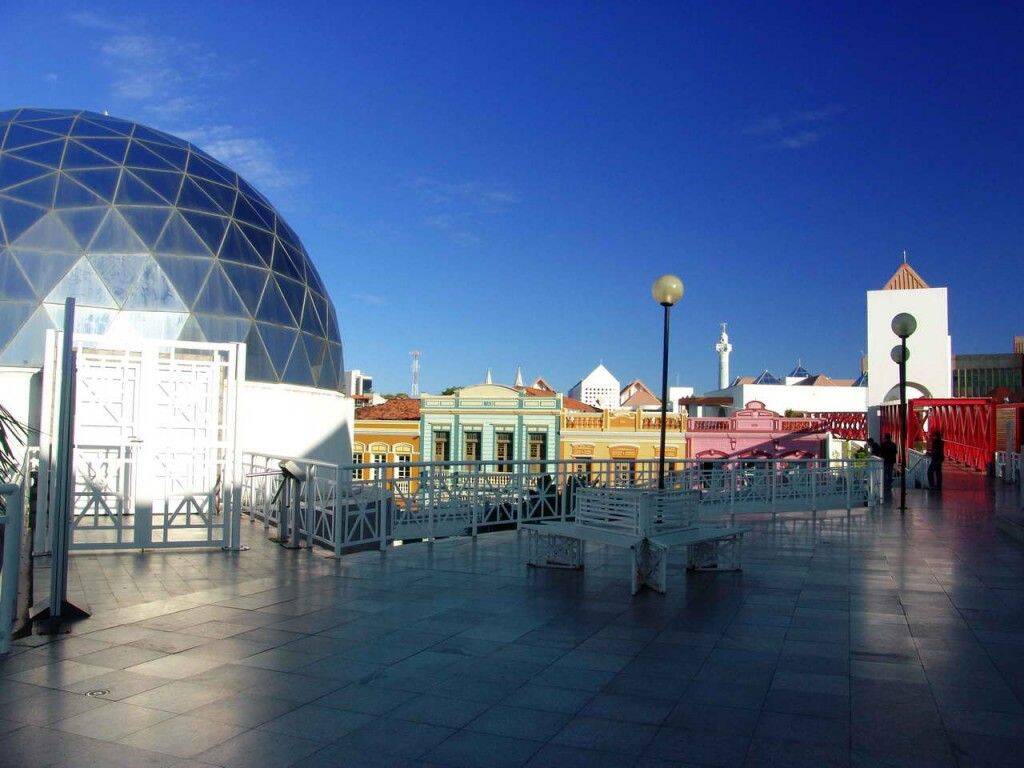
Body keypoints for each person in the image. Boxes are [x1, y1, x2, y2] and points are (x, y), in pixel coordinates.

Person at [870, 434, 898, 501]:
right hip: (891, 461)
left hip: (885, 461)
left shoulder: (883, 444)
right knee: (890, 473)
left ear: (885, 438)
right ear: (890, 438)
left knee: (885, 473)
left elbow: (880, 452)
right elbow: (896, 452)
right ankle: (889, 485)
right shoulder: (893, 444)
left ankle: (885, 485)